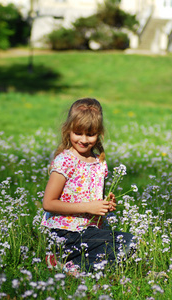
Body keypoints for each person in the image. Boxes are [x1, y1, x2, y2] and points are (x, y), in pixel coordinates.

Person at [41, 98, 135, 275]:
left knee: (127, 245)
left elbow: (92, 199)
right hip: (65, 234)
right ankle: (72, 265)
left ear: (99, 133)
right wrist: (89, 207)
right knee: (126, 243)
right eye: (78, 133)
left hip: (88, 231)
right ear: (68, 130)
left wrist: (105, 205)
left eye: (90, 134)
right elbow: (48, 203)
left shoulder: (99, 162)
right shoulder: (65, 161)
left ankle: (68, 262)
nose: (83, 139)